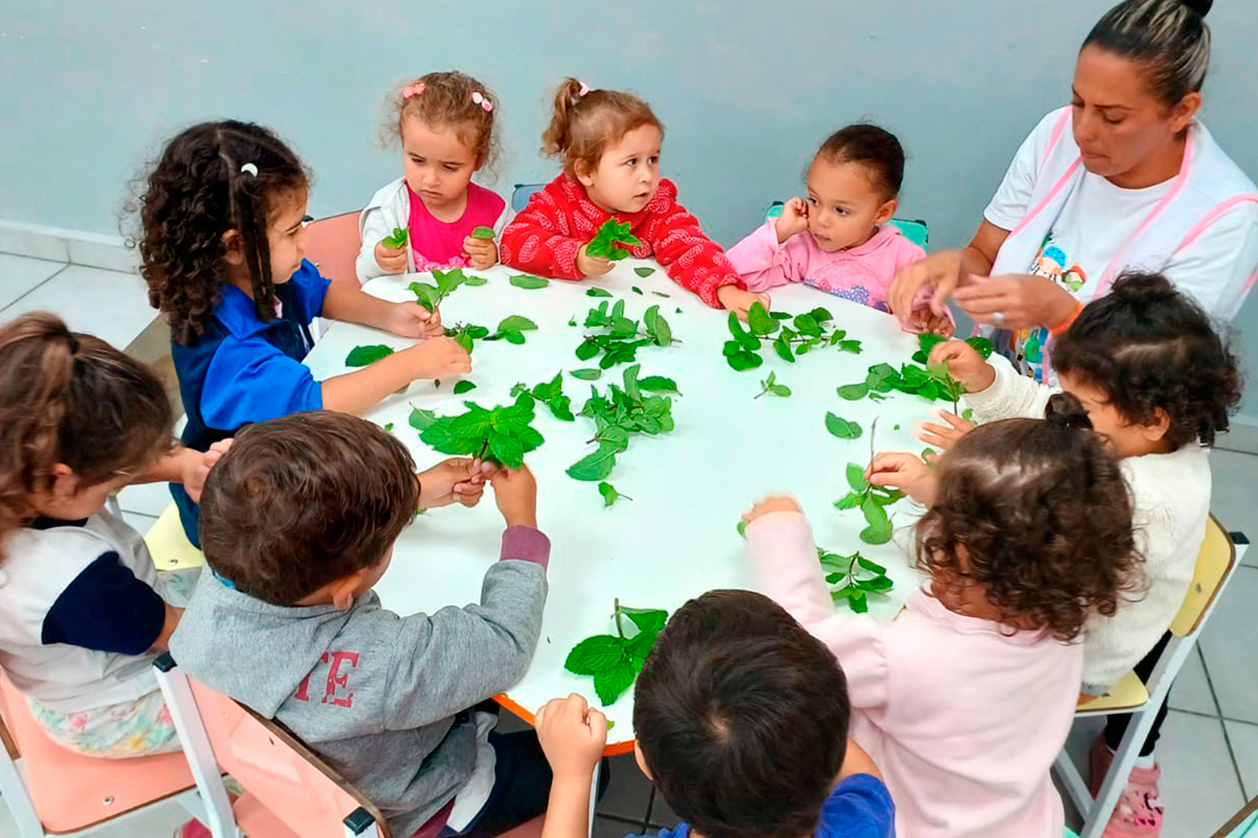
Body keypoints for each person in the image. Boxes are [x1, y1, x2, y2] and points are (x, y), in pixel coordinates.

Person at [918, 271, 1241, 836]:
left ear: (1152, 419)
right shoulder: (1118, 428)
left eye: (1083, 409)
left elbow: (1032, 559)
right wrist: (987, 380)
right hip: (1066, 586)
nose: (1070, 415)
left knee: (929, 649)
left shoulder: (1149, 503)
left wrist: (956, 481)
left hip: (1082, 648)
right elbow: (1052, 411)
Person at [745, 404, 1142, 837]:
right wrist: (932, 487)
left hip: (912, 824)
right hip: (1021, 822)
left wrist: (778, 532)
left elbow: (795, 649)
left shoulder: (903, 658)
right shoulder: (1063, 618)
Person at [169, 411, 553, 838]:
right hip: (415, 805)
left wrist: (411, 493)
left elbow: (287, 521)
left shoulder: (230, 561)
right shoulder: (385, 661)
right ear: (348, 584)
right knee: (575, 771)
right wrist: (522, 524)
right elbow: (505, 642)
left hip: (293, 781)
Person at [131, 120, 471, 544]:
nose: (306, 241)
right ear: (235, 246)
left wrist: (391, 315)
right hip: (242, 513)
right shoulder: (229, 351)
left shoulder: (263, 274)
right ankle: (411, 492)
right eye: (292, 231)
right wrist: (409, 365)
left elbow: (323, 294)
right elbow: (315, 403)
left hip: (288, 449)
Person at [888, 0, 1257, 383]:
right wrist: (953, 268)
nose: (1083, 130)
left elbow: (1163, 377)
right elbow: (985, 252)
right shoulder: (1056, 134)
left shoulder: (1227, 216)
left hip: (1101, 432)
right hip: (999, 392)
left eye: (1113, 117)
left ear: (1182, 111)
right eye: (1078, 102)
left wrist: (1061, 313)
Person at [0, 313, 224, 762]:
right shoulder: (69, 583)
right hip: (116, 704)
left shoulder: (24, 468)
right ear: (60, 479)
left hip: (111, 630)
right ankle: (236, 802)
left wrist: (184, 465)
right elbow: (175, 633)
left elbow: (119, 461)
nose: (119, 483)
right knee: (263, 709)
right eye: (111, 482)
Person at [533, 590, 895, 838]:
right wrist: (801, 717)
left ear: (644, 761)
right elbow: (861, 772)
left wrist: (571, 776)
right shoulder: (861, 823)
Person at [499, 77, 768, 319]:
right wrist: (575, 256)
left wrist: (726, 290)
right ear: (586, 171)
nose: (647, 176)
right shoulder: (559, 203)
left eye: (653, 159)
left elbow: (690, 246)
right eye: (631, 162)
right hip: (564, 318)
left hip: (639, 319)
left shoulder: (658, 207)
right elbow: (514, 241)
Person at [727, 124, 948, 334]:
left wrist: (932, 318)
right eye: (814, 200)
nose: (820, 220)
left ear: (882, 213)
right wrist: (778, 232)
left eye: (841, 210)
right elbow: (735, 273)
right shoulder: (802, 245)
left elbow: (923, 322)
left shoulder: (906, 259)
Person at [357, 71, 508, 282]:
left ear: (479, 160)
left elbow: (518, 262)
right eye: (417, 161)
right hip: (409, 313)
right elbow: (365, 275)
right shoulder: (391, 208)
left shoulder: (496, 212)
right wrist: (379, 261)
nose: (430, 180)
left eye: (449, 167)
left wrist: (497, 255)